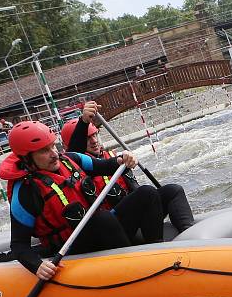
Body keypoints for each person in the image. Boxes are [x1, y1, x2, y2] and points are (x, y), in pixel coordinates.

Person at [0, 120, 166, 280]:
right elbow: (19, 245)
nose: (54, 154)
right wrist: (37, 266)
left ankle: (159, 254)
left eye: (53, 146)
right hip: (70, 247)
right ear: (27, 158)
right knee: (103, 218)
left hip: (101, 229)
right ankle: (135, 268)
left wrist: (123, 159)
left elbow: (104, 166)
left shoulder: (71, 159)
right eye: (44, 151)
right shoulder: (26, 191)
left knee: (147, 193)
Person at [61, 100, 194, 233]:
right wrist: (84, 121)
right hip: (112, 224)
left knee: (173, 190)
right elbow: (74, 152)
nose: (94, 141)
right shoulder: (74, 167)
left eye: (95, 134)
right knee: (146, 192)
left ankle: (189, 233)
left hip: (133, 211)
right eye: (87, 138)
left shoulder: (113, 157)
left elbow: (135, 189)